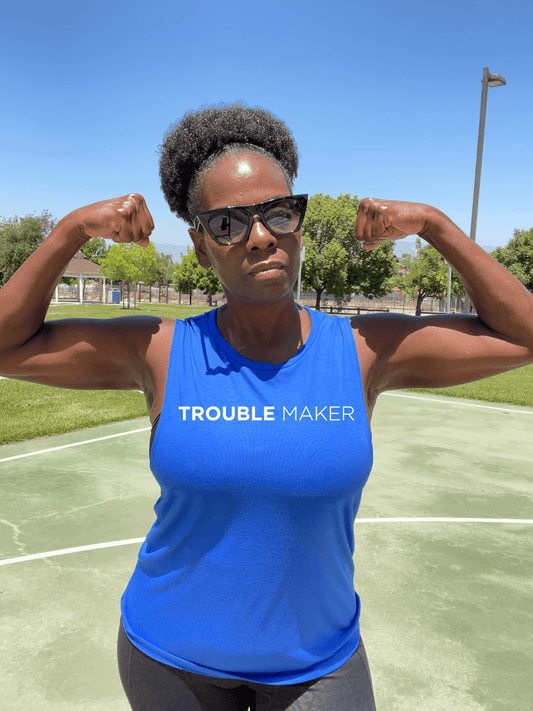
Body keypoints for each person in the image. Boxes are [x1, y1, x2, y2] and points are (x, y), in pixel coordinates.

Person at [0, 102, 532, 711]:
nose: (260, 237)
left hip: (318, 663)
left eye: (280, 214)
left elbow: (523, 335)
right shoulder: (159, 349)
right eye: (227, 224)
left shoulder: (363, 349)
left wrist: (435, 225)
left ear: (298, 223)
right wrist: (71, 231)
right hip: (170, 660)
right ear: (201, 248)